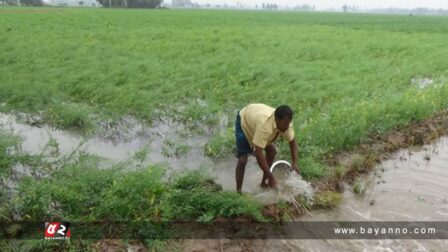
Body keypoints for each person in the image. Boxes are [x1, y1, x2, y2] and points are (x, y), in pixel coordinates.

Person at [234, 103, 300, 193]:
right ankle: (238, 192)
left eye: (289, 123)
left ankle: (264, 183)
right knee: (243, 159)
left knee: (272, 151)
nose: (288, 126)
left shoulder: (286, 124)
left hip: (256, 122)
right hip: (245, 122)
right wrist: (271, 177)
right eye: (286, 124)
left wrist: (294, 162)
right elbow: (259, 154)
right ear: (277, 120)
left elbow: (292, 142)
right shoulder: (265, 126)